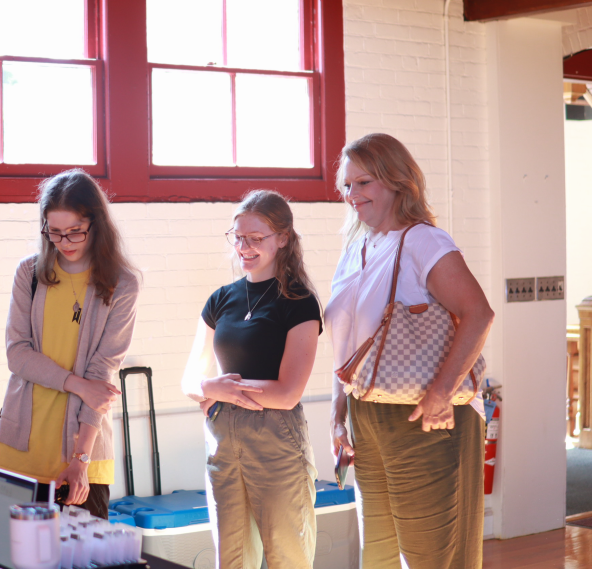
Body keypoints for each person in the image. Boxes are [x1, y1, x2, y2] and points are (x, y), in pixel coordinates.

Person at [325, 133, 494, 568]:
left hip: (425, 417)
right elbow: (349, 345)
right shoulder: (357, 246)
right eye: (346, 185)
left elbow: (478, 314)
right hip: (368, 414)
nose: (352, 195)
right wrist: (338, 413)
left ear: (397, 181)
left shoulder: (423, 241)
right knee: (379, 554)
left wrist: (440, 393)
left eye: (364, 183)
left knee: (431, 556)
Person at [181, 189, 322, 568]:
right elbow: (191, 378)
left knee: (286, 558)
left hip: (276, 441)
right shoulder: (220, 299)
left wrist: (223, 390)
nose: (243, 247)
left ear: (283, 239)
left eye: (255, 238)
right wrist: (210, 388)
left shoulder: (299, 302)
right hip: (223, 441)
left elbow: (288, 393)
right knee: (231, 560)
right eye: (237, 236)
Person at [0, 168, 139, 519]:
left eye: (76, 232)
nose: (66, 243)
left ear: (97, 224)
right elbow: (17, 354)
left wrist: (81, 460)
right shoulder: (29, 273)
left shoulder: (122, 284)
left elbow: (101, 376)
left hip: (82, 455)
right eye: (55, 232)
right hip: (20, 448)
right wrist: (76, 384)